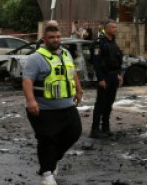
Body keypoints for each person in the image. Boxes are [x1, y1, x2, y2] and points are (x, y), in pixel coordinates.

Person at [23, 24, 83, 185]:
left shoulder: (65, 54)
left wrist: (79, 90)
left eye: (57, 37)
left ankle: (52, 160)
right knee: (47, 140)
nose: (55, 40)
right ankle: (47, 173)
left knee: (75, 132)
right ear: (44, 39)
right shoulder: (36, 58)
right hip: (43, 109)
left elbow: (72, 73)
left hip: (67, 106)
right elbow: (27, 80)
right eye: (51, 37)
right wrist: (31, 101)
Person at [90, 20, 123, 139]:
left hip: (113, 76)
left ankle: (106, 127)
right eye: (113, 27)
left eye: (116, 27)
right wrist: (101, 79)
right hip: (105, 76)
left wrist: (119, 74)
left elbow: (117, 60)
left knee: (109, 103)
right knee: (100, 103)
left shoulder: (113, 43)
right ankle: (95, 129)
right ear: (107, 29)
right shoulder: (99, 43)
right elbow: (96, 63)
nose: (115, 29)